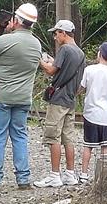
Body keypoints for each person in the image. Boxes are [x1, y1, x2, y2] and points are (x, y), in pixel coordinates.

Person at [0, 3, 44, 190]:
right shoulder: (36, 44)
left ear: (16, 20)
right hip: (23, 98)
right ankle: (23, 179)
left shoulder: (6, 40)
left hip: (1, 96)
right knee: (20, 137)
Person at [36, 20, 85, 187]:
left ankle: (54, 175)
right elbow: (77, 80)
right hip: (70, 100)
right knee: (68, 137)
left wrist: (39, 61)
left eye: (56, 33)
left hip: (58, 99)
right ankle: (70, 174)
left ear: (64, 33)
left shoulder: (65, 49)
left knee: (53, 136)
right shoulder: (80, 52)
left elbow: (51, 70)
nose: (55, 36)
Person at [78, 42, 107, 179]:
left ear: (100, 53)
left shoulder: (89, 70)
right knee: (105, 147)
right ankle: (103, 176)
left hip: (91, 113)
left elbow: (81, 87)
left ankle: (84, 174)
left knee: (88, 146)